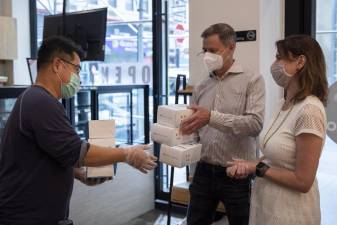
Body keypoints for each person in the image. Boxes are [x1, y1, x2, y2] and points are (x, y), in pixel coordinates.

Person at [0, 36, 157, 225]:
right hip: (27, 217)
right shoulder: (40, 102)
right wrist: (127, 154)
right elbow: (79, 152)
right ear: (57, 65)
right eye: (77, 69)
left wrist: (77, 173)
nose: (78, 78)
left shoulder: (38, 100)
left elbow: (54, 152)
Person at [226, 35, 328, 225]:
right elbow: (278, 157)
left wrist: (258, 168)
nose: (274, 64)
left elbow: (303, 181)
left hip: (291, 212)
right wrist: (250, 164)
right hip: (267, 204)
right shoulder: (284, 104)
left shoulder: (309, 110)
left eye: (279, 57)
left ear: (300, 61)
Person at [180, 23, 265, 225]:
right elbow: (195, 129)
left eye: (213, 50)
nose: (208, 55)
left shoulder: (252, 79)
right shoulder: (202, 85)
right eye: (204, 51)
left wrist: (212, 117)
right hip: (203, 171)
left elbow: (254, 124)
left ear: (231, 47)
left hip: (237, 173)